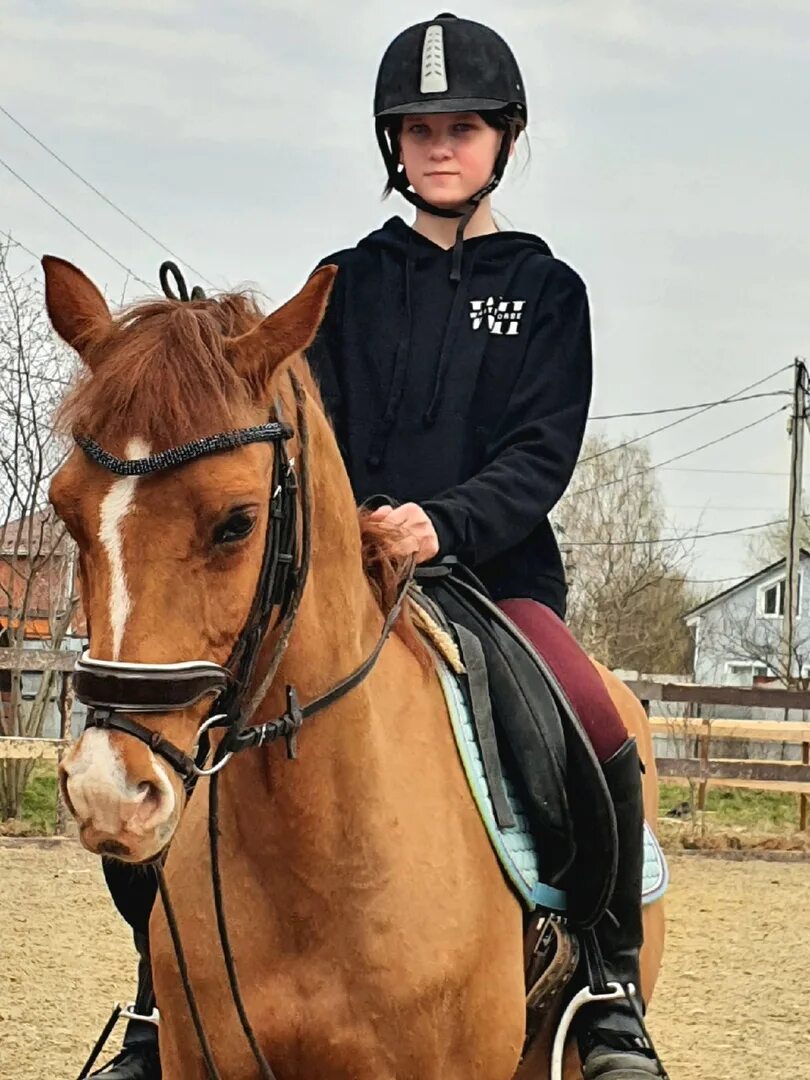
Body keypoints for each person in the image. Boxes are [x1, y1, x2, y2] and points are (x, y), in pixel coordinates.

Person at [83, 13, 662, 1079]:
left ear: (504, 138)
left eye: (464, 127)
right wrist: (352, 530)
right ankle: (161, 995)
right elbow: (305, 437)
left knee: (597, 722)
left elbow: (543, 455)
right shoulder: (344, 284)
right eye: (419, 127)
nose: (441, 146)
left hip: (493, 582)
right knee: (184, 738)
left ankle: (609, 992)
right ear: (392, 143)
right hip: (344, 580)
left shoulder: (548, 292)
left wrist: (444, 521)